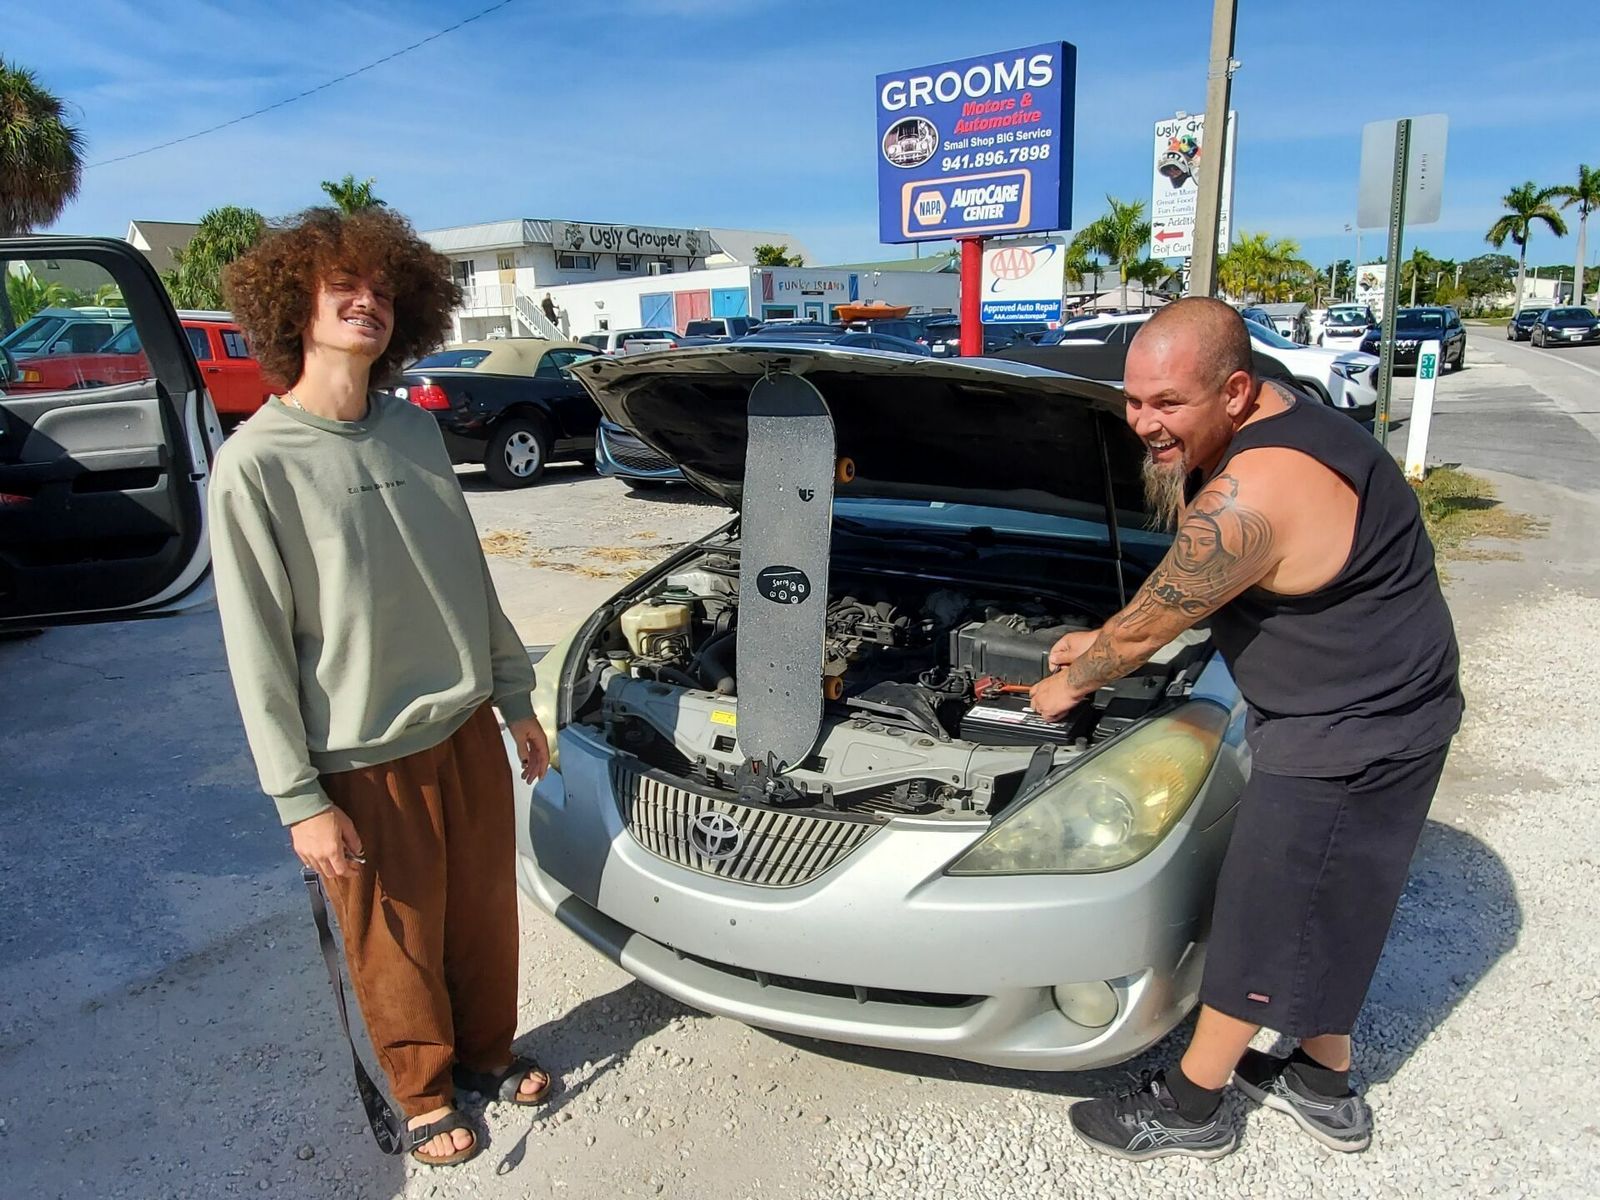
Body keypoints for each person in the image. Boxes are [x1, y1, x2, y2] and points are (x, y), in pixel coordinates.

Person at [1029, 297, 1461, 1161]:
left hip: (1355, 722)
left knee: (1268, 911)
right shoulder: (1277, 413)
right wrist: (1105, 634)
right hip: (1385, 700)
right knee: (1334, 900)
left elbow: (1164, 612)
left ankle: (1193, 1106)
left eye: (1167, 403)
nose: (1143, 422)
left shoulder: (1260, 486)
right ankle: (1323, 1081)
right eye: (1133, 399)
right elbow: (1180, 592)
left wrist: (1066, 684)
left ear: (1233, 390)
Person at [211, 207, 553, 1168]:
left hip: (463, 721)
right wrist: (299, 799)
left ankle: (487, 1053)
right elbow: (256, 649)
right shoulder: (255, 464)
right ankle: (424, 1091)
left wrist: (514, 697)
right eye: (343, 287)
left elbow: (467, 576)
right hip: (362, 749)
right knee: (394, 936)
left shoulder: (414, 432)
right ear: (295, 307)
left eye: (382, 289)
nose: (368, 302)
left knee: (482, 916)